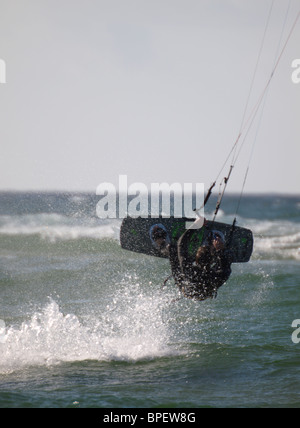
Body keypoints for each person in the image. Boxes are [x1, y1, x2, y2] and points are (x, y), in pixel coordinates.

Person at [150, 224, 233, 300]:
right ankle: (216, 248)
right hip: (205, 291)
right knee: (223, 267)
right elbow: (226, 263)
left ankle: (161, 246)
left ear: (197, 261)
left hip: (184, 285)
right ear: (212, 261)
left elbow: (181, 243)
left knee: (172, 250)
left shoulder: (190, 271)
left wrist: (196, 225)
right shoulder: (219, 275)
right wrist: (219, 250)